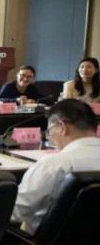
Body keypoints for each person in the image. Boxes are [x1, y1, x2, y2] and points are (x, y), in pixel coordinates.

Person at [11, 100, 100, 234]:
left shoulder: (53, 165)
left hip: (41, 244)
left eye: (49, 131)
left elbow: (13, 213)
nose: (50, 137)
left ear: (62, 127)